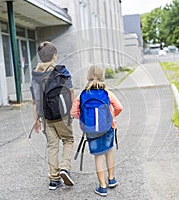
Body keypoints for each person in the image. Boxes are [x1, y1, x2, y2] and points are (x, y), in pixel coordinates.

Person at [70, 66, 123, 197]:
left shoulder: (82, 94)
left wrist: (85, 119)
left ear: (87, 77)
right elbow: (119, 107)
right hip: (108, 127)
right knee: (109, 151)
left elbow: (74, 112)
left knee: (98, 156)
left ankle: (102, 187)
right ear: (102, 77)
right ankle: (111, 179)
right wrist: (110, 117)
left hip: (91, 130)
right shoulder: (107, 93)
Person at [30, 41, 74, 190]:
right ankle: (65, 168)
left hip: (47, 117)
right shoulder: (62, 71)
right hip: (62, 114)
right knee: (68, 140)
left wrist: (36, 120)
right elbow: (71, 91)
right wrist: (71, 111)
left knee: (52, 145)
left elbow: (35, 100)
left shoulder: (35, 75)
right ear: (54, 56)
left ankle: (54, 179)